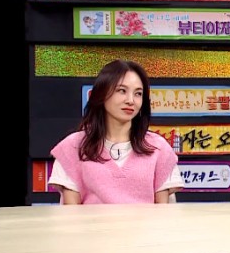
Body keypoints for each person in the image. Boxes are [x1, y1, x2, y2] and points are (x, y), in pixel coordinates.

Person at [48, 59, 183, 204]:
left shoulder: (158, 148)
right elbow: (70, 213)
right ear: (102, 93)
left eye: (138, 94)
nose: (130, 100)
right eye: (122, 91)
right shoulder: (73, 147)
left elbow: (163, 212)